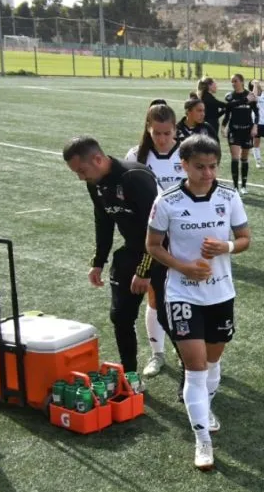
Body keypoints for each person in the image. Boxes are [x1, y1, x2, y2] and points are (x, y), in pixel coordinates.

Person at [146, 134, 251, 471]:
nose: (208, 173)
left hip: (221, 294)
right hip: (183, 294)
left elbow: (245, 238)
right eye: (200, 167)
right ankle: (202, 439)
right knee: (195, 368)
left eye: (213, 166)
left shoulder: (229, 196)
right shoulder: (167, 201)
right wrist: (184, 267)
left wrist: (227, 247)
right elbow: (153, 245)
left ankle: (206, 408)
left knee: (212, 364)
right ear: (184, 166)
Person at [63, 136, 159, 374]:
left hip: (162, 254)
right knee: (120, 317)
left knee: (169, 318)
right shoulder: (95, 183)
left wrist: (145, 270)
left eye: (82, 170)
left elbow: (158, 229)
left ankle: (189, 377)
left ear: (97, 159)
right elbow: (104, 222)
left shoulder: (134, 177)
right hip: (131, 252)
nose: (81, 177)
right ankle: (130, 377)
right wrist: (98, 262)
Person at [125, 103, 185, 378]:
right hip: (152, 238)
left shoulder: (186, 152)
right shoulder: (136, 156)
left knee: (184, 296)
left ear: (175, 130)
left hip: (184, 235)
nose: (161, 139)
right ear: (148, 129)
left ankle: (187, 351)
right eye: (156, 133)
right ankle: (157, 354)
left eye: (167, 133)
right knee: (155, 296)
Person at [221, 73, 258, 195]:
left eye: (235, 81)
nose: (233, 83)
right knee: (235, 157)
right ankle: (235, 187)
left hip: (247, 130)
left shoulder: (250, 95)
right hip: (234, 130)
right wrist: (223, 127)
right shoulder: (230, 96)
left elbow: (257, 113)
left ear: (242, 82)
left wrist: (255, 126)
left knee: (244, 158)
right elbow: (227, 114)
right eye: (232, 81)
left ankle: (244, 186)